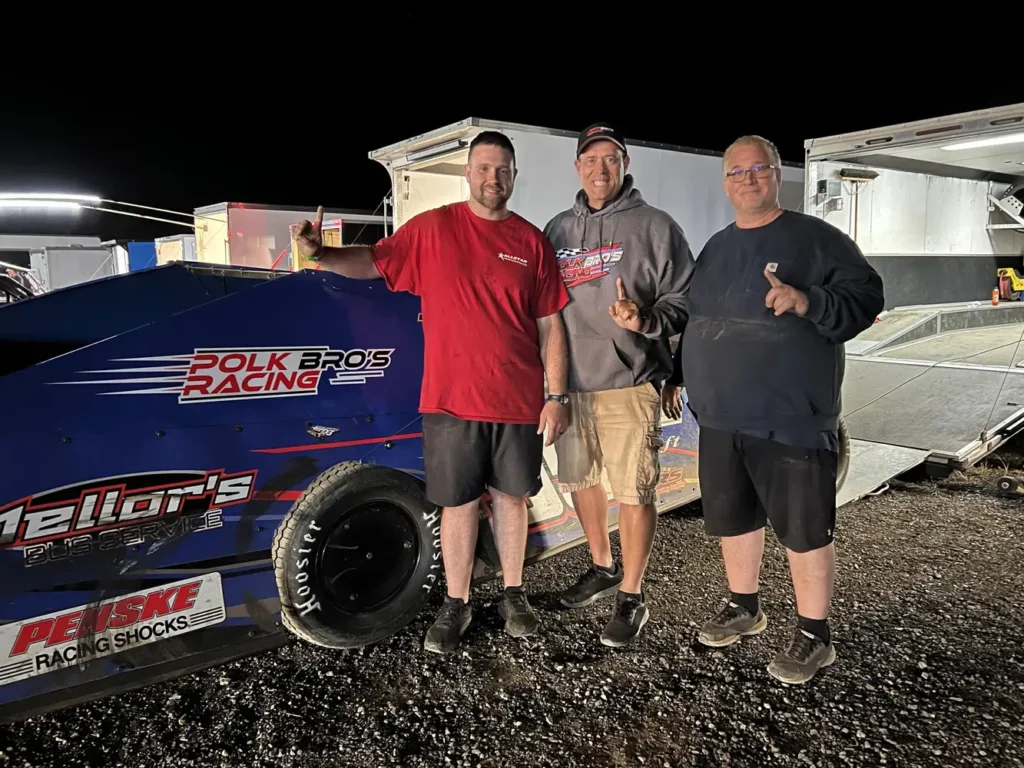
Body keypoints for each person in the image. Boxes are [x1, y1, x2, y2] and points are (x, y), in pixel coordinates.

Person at [290, 131, 572, 654]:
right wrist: (320, 252)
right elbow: (374, 261)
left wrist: (557, 396)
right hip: (449, 402)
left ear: (514, 176)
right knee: (458, 505)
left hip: (518, 401)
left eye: (503, 170)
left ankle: (514, 595)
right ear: (468, 173)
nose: (493, 178)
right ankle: (457, 603)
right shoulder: (434, 229)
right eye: (484, 168)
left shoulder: (532, 242)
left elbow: (552, 325)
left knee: (512, 501)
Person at [664, 135, 884, 684]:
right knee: (734, 519)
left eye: (757, 169)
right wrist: (679, 373)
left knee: (804, 529)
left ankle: (815, 635)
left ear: (776, 173)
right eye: (736, 173)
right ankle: (745, 607)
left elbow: (867, 298)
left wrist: (808, 301)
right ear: (725, 183)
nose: (747, 180)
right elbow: (698, 317)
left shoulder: (818, 240)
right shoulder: (715, 248)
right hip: (719, 415)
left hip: (791, 417)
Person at [542, 122, 695, 647]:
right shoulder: (557, 229)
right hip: (570, 383)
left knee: (634, 487)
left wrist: (645, 319)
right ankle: (603, 565)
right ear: (578, 167)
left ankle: (632, 595)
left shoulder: (656, 225)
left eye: (611, 159)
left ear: (625, 164)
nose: (600, 169)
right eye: (591, 159)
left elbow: (686, 300)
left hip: (629, 381)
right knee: (581, 479)